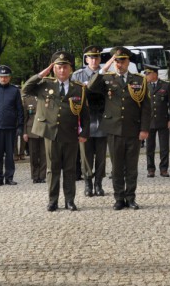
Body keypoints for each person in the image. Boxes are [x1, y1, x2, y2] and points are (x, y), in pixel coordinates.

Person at [22, 51, 90, 211]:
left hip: (70, 133)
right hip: (50, 133)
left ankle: (69, 200)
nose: (62, 70)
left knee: (70, 168)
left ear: (70, 69)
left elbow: (85, 114)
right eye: (58, 67)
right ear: (53, 69)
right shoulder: (44, 85)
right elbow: (25, 89)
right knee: (52, 169)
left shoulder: (79, 89)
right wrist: (41, 74)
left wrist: (84, 132)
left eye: (65, 67)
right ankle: (53, 201)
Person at [87, 46, 152, 210]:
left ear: (128, 61)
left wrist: (144, 129)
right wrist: (104, 69)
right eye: (116, 61)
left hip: (133, 129)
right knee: (116, 167)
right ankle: (119, 198)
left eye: (122, 61)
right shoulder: (107, 78)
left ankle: (130, 197)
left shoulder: (139, 80)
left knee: (131, 166)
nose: (119, 64)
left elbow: (146, 107)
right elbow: (91, 88)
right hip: (114, 129)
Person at [72, 45, 108, 197]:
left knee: (101, 156)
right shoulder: (77, 76)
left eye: (97, 57)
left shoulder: (107, 75)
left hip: (102, 119)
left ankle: (98, 183)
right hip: (85, 120)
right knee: (85, 156)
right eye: (91, 57)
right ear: (86, 59)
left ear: (100, 59)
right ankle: (88, 183)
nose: (94, 60)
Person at [0, 65, 23, 186]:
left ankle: (9, 177)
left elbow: (19, 110)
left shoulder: (14, 91)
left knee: (10, 154)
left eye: (6, 77)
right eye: (1, 77)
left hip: (11, 127)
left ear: (9, 78)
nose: (3, 79)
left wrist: (20, 126)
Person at [144, 64, 170, 177]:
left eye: (148, 73)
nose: (146, 75)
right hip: (149, 122)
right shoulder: (145, 86)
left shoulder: (165, 85)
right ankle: (150, 169)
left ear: (155, 74)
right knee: (149, 147)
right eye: (146, 73)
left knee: (164, 147)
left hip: (163, 120)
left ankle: (164, 169)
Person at [22, 93, 47, 183]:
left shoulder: (46, 97)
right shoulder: (27, 99)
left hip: (44, 130)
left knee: (44, 155)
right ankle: (35, 176)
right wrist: (24, 132)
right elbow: (25, 117)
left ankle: (42, 176)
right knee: (33, 154)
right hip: (31, 130)